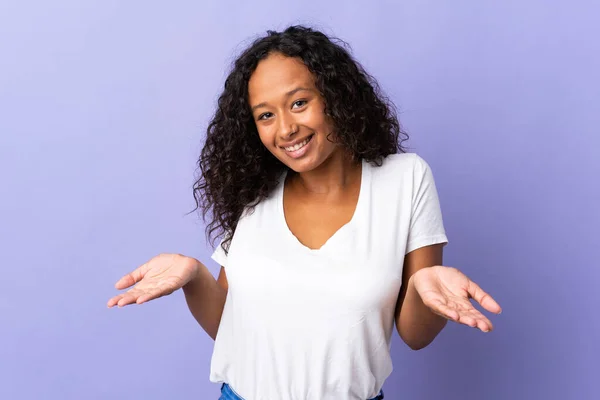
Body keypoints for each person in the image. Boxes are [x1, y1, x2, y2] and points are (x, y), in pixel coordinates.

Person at [107, 25, 502, 400]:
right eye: (266, 115)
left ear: (335, 96)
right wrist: (194, 277)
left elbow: (416, 335)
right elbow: (231, 327)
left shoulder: (406, 178)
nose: (286, 129)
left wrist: (421, 286)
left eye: (299, 103)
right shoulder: (255, 192)